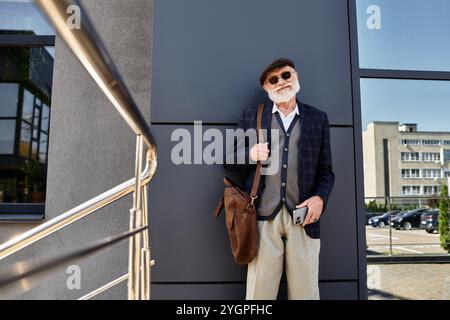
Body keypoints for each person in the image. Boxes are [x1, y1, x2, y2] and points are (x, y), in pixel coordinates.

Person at [224, 57, 335, 300]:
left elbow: (326, 171)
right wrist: (251, 154)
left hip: (304, 219)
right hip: (263, 217)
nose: (281, 82)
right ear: (266, 88)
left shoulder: (318, 119)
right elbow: (229, 160)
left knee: (306, 294)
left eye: (286, 75)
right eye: (273, 80)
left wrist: (320, 199)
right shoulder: (252, 116)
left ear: (295, 76)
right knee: (259, 295)